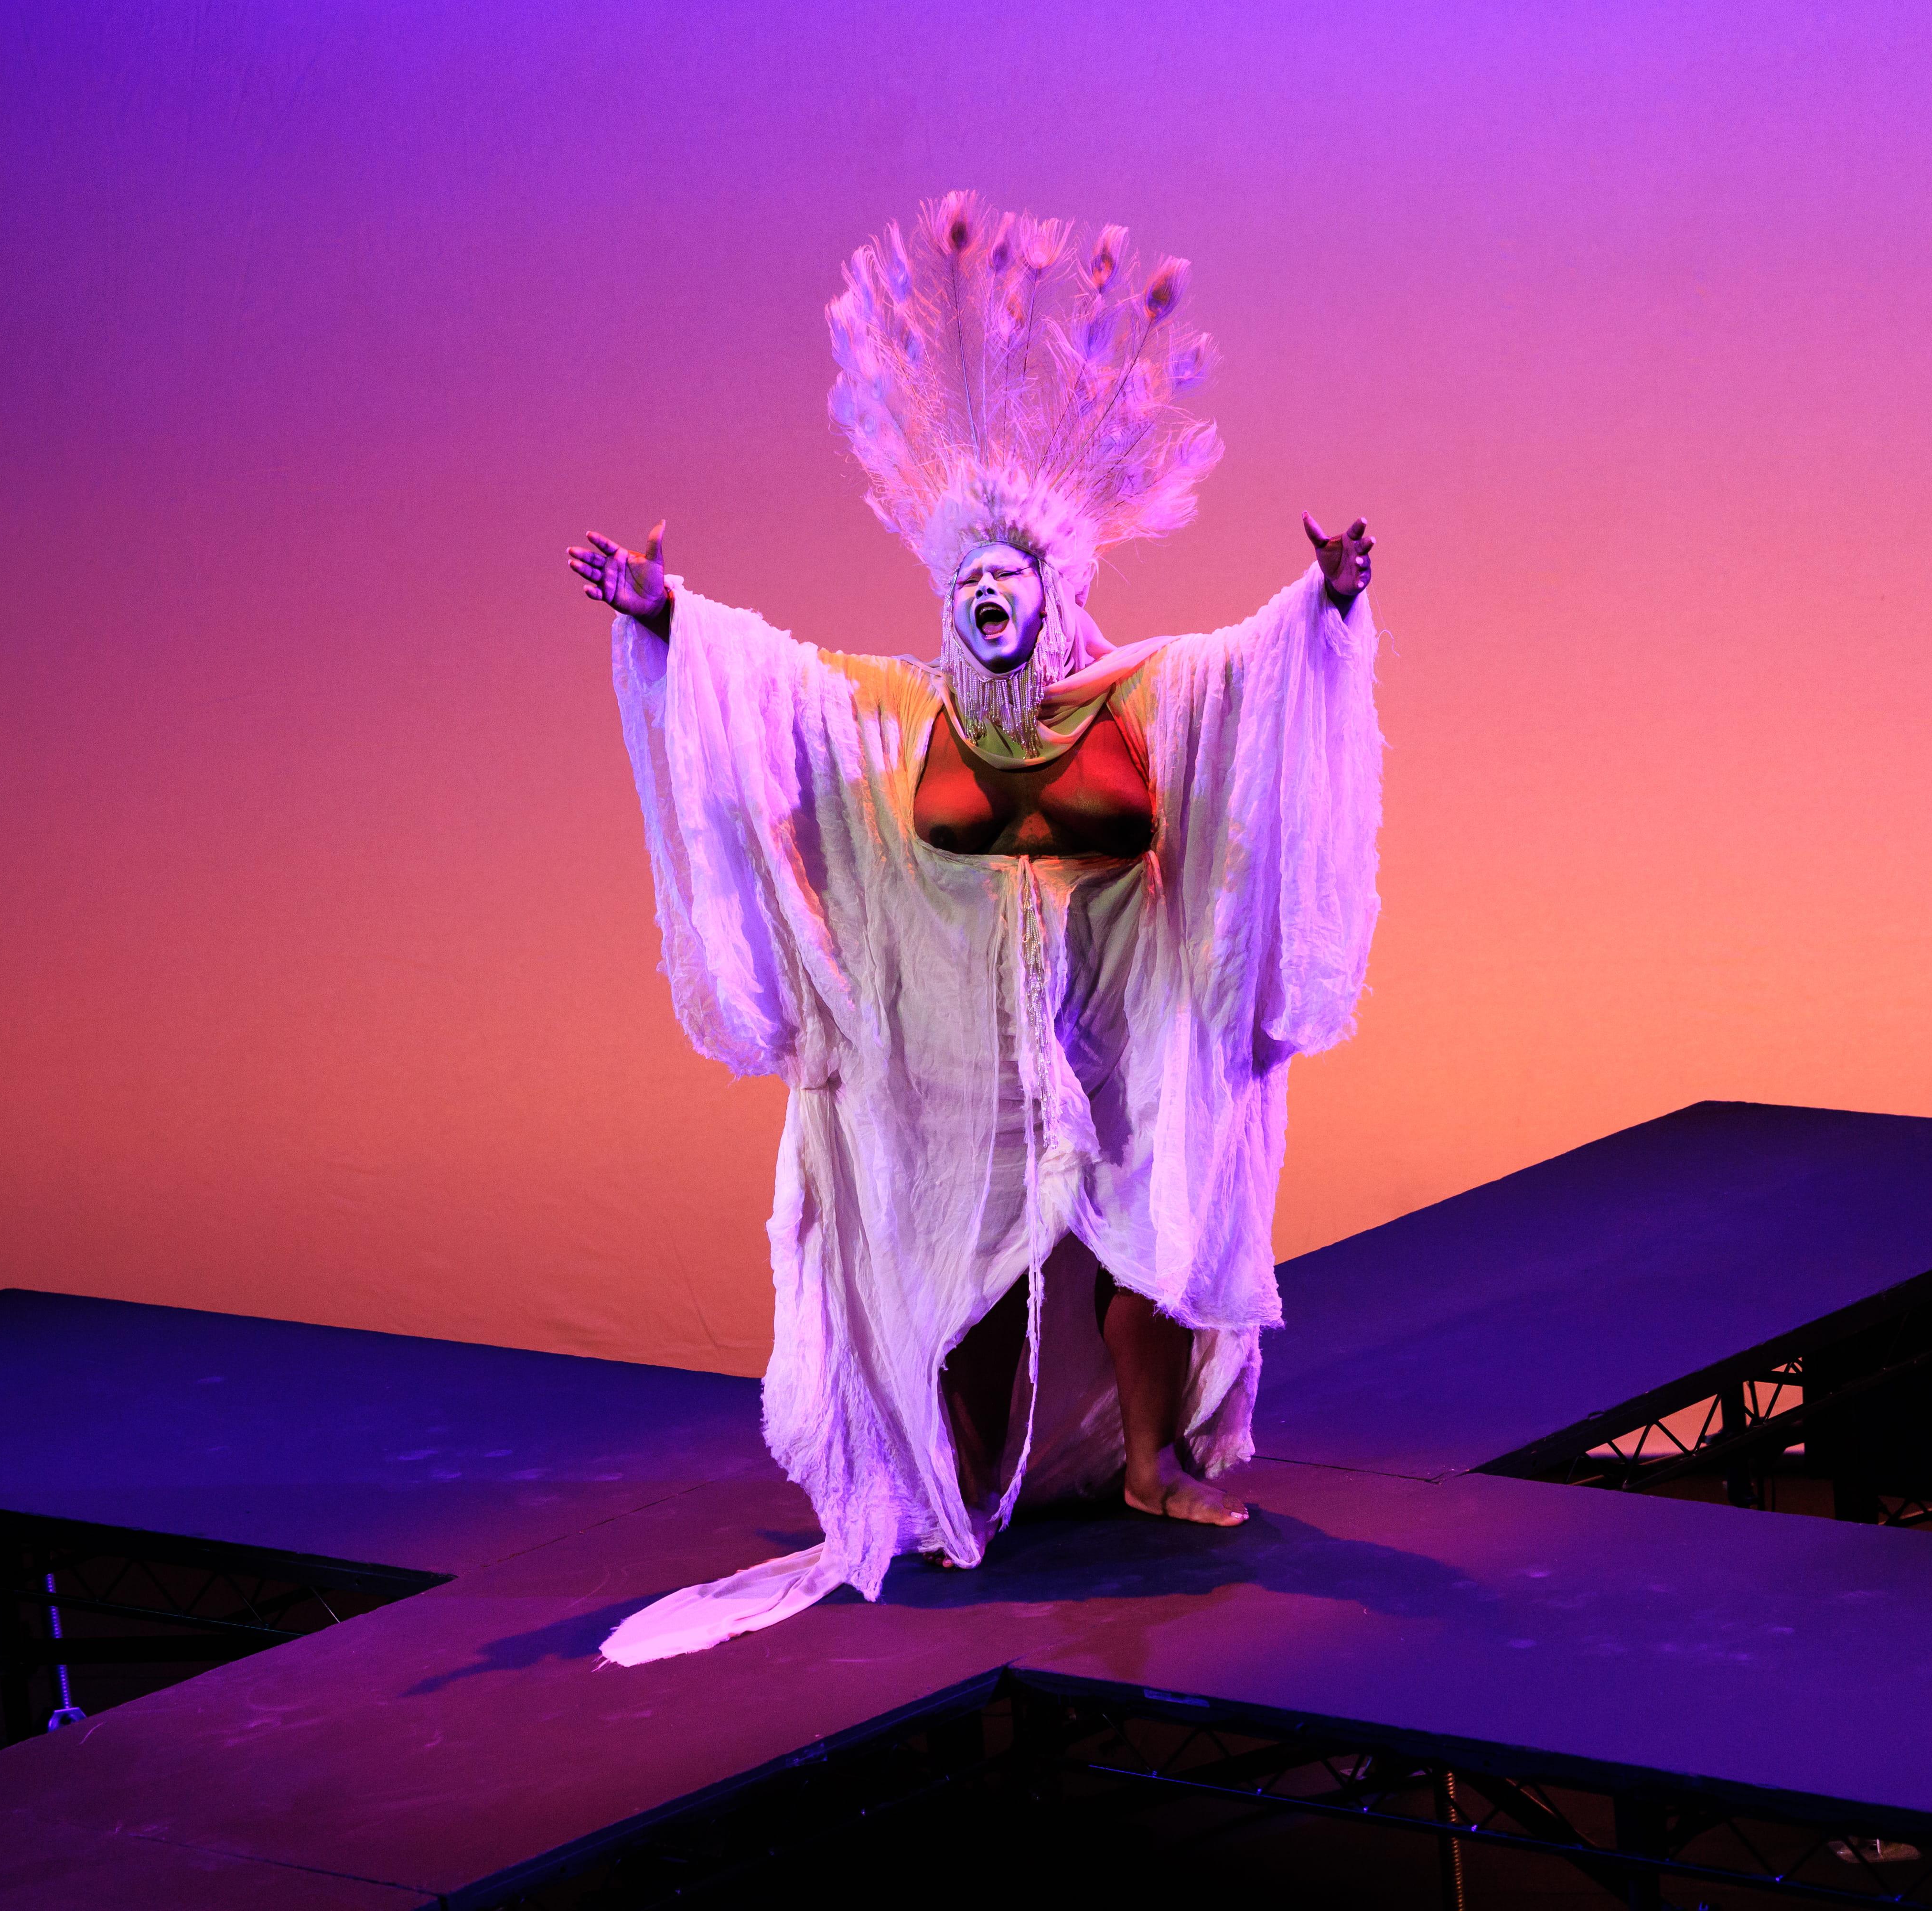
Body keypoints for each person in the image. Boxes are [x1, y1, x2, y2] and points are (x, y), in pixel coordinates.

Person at [567, 193, 1385, 1663]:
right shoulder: (904, 712)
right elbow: (781, 694)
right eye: (968, 583)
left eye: (1010, 576)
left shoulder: (1133, 696)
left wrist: (1326, 601)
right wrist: (664, 614)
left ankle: (1151, 1463)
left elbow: (1249, 677)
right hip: (956, 1054)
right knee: (967, 1262)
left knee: (1146, 1239)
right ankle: (962, 1478)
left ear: (1053, 590)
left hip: (1121, 1026)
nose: (987, 593)